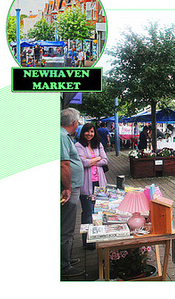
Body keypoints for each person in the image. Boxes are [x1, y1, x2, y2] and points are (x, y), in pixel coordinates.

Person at [75, 123, 108, 249]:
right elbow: (83, 163)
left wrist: (91, 161)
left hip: (99, 183)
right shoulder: (78, 146)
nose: (89, 134)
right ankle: (88, 242)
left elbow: (105, 160)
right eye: (87, 132)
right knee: (88, 212)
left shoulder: (98, 145)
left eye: (92, 132)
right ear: (83, 132)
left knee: (99, 211)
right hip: (86, 184)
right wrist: (97, 159)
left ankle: (99, 237)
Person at [60, 108, 85, 277]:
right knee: (66, 227)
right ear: (74, 123)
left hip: (70, 187)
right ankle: (63, 266)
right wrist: (68, 187)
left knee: (66, 226)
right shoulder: (62, 136)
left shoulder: (63, 136)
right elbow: (63, 164)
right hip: (68, 188)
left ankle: (65, 259)